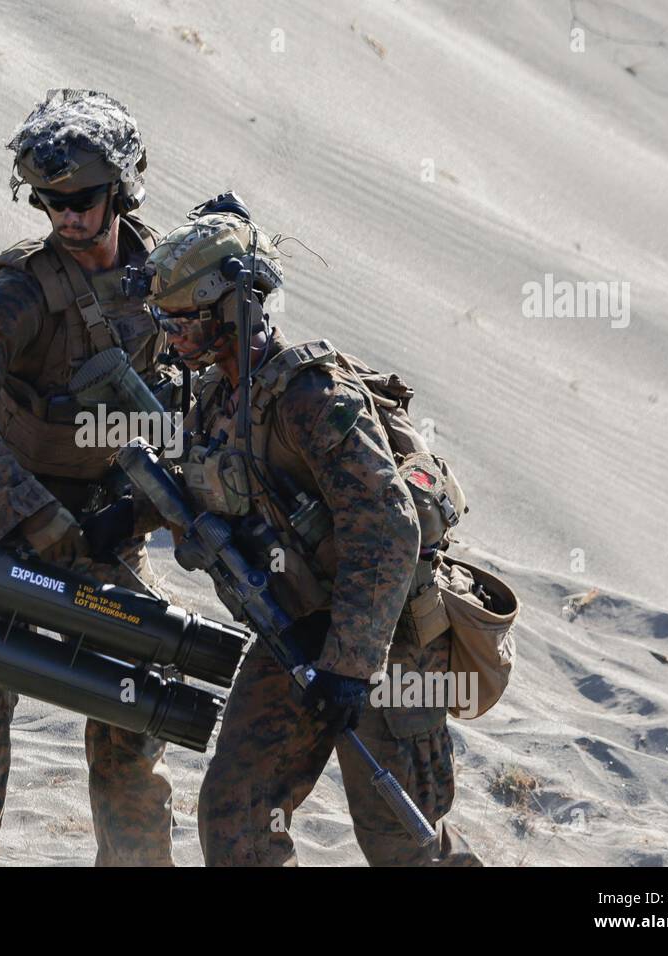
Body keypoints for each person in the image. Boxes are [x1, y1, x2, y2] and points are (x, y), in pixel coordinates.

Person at [135, 199, 483, 866]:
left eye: (180, 319)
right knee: (235, 815)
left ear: (230, 310)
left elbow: (385, 527)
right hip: (293, 631)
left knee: (404, 841)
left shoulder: (312, 395)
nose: (168, 335)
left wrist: (350, 667)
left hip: (386, 636)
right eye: (161, 319)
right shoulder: (210, 401)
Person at [0, 89, 176, 866]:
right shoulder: (4, 294)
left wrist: (132, 517)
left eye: (82, 200)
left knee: (135, 704)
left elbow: (196, 423)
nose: (65, 217)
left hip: (103, 521)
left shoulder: (172, 286)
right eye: (49, 201)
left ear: (121, 190)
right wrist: (32, 517)